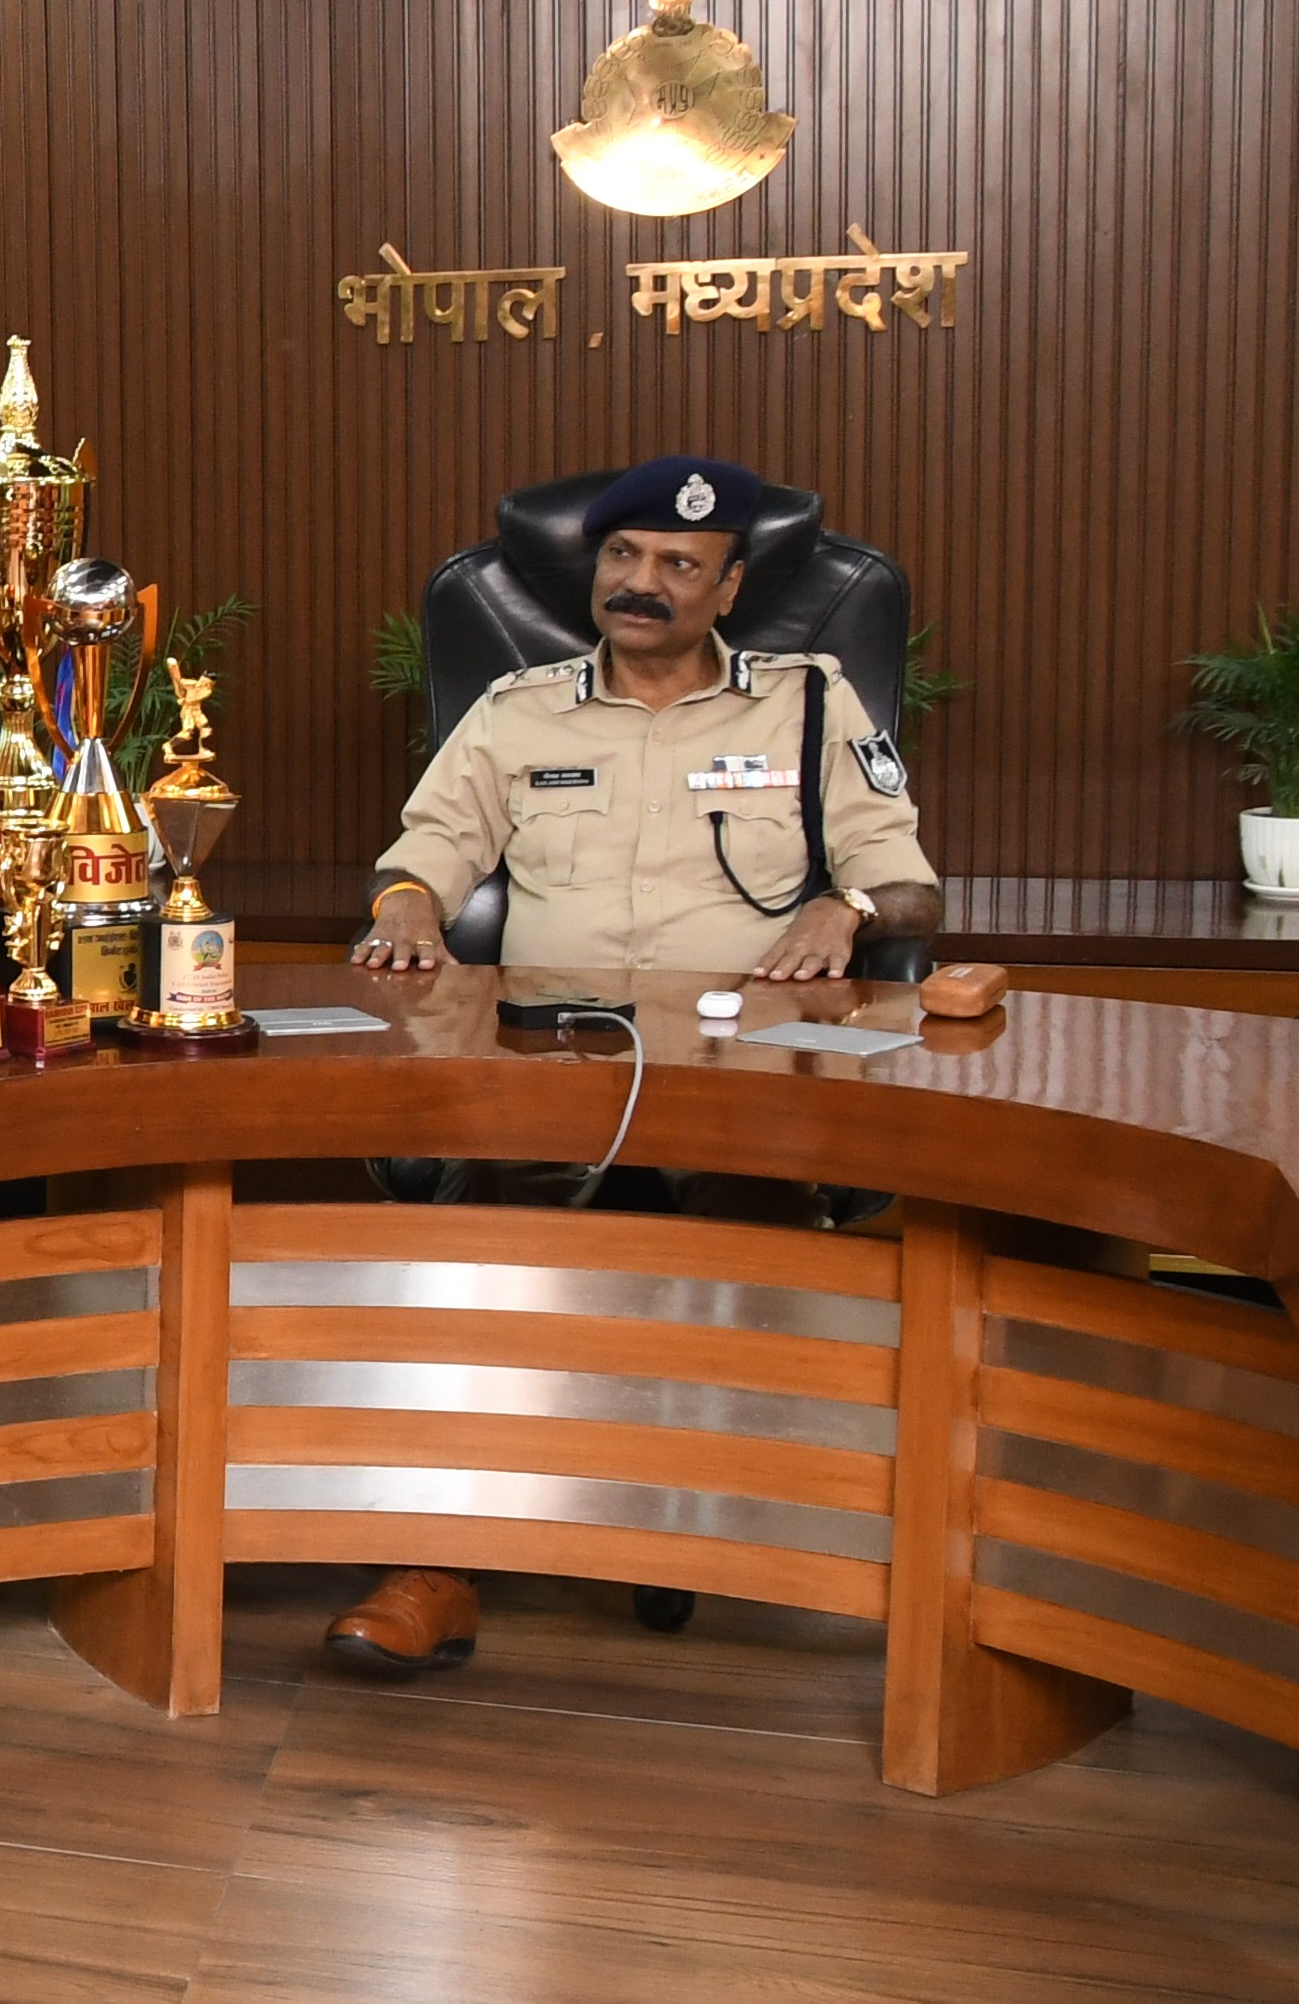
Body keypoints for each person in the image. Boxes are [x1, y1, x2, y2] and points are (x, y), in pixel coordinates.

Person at [323, 453, 940, 1671]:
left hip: (742, 1071)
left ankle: (701, 1517)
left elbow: (911, 881)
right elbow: (427, 850)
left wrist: (851, 905)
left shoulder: (806, 702)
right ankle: (432, 1565)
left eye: (676, 564)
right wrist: (406, 907)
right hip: (554, 1059)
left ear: (729, 588)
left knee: (750, 1260)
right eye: (621, 556)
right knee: (479, 1270)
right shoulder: (517, 709)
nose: (639, 582)